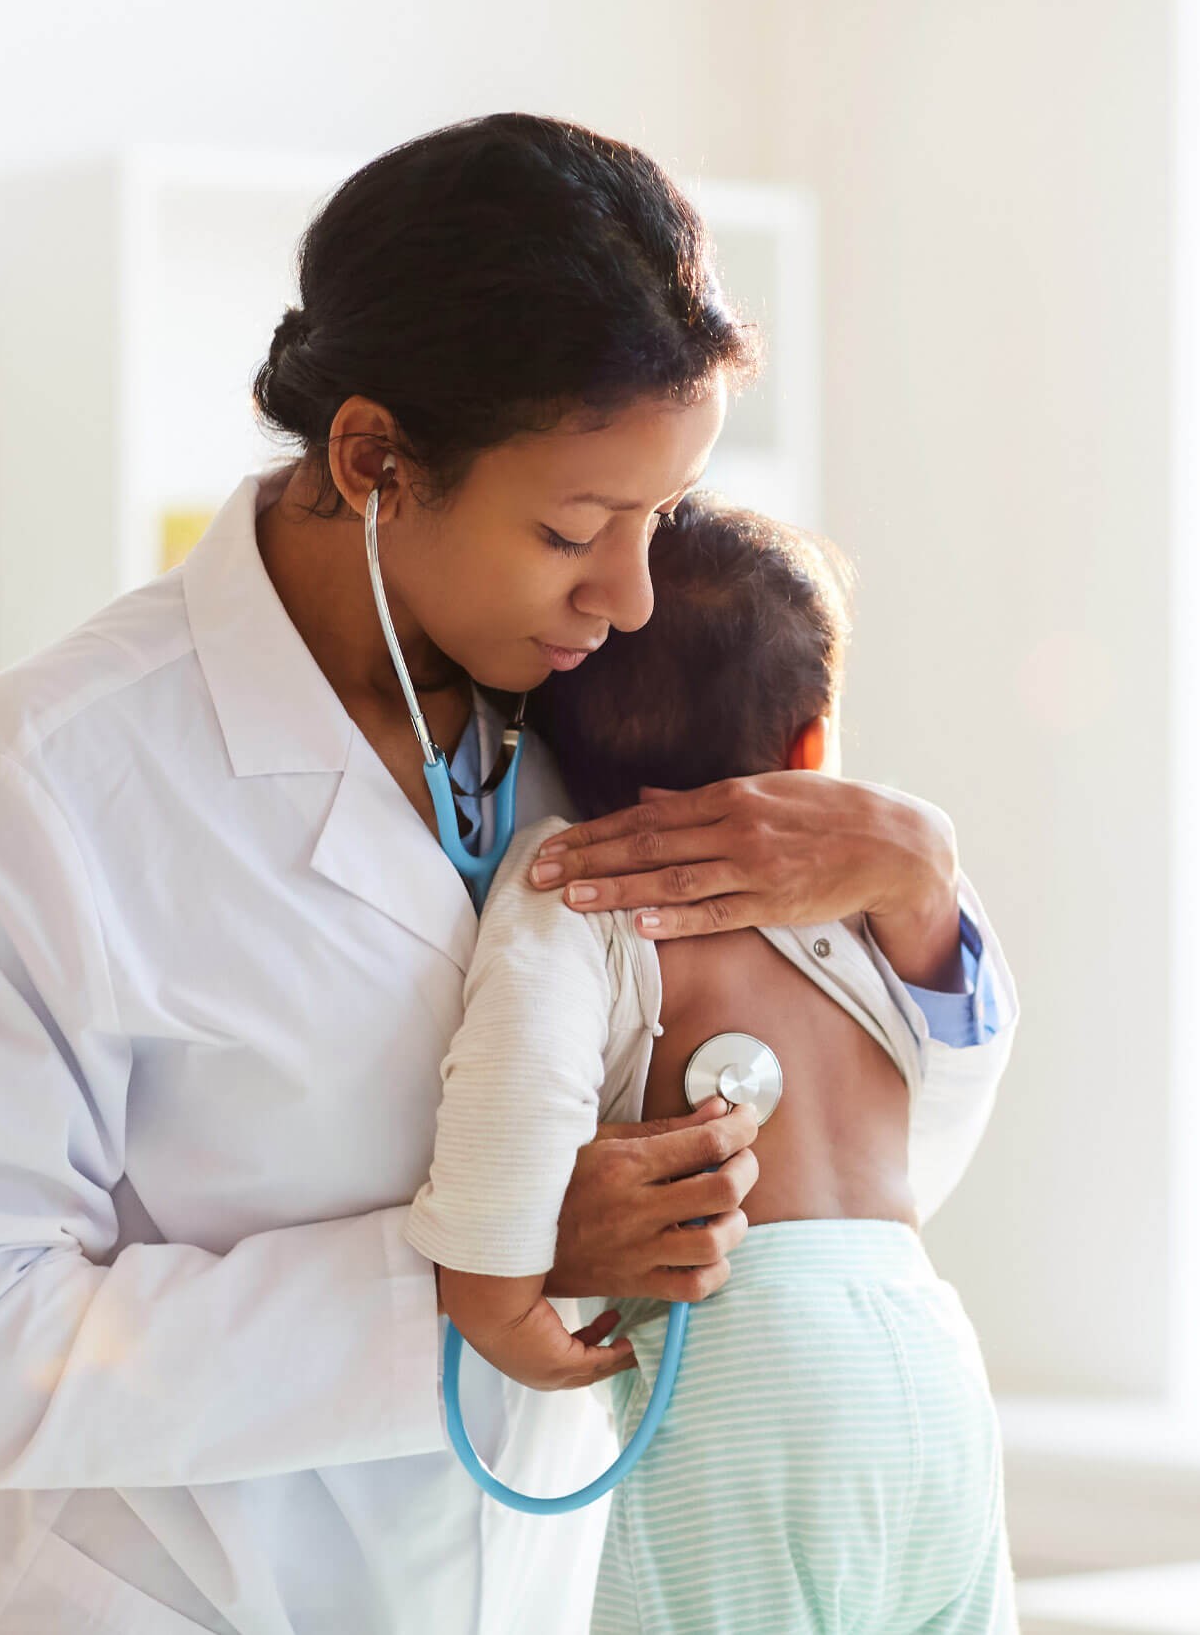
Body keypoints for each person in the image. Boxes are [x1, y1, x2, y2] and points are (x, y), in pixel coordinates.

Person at [0, 113, 1016, 1634]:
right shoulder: (50, 778)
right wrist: (482, 1274)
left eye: (661, 520)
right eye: (575, 528)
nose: (632, 593)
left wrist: (924, 907)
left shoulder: (619, 715)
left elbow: (857, 1189)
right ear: (375, 460)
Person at [411, 496, 1015, 1634]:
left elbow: (519, 1077)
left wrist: (491, 1292)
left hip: (755, 1352)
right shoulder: (869, 902)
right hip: (925, 1344)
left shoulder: (577, 873)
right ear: (811, 746)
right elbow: (960, 1041)